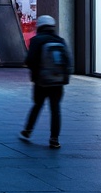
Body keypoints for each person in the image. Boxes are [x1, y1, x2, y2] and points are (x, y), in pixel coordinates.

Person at [20, 15, 69, 149]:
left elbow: (30, 60)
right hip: (57, 82)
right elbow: (68, 62)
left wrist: (35, 73)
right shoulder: (60, 40)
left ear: (39, 26)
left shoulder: (37, 40)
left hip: (41, 81)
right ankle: (54, 139)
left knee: (37, 105)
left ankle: (28, 130)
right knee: (55, 110)